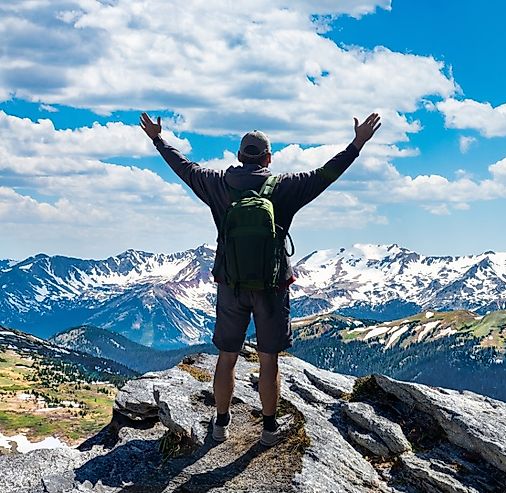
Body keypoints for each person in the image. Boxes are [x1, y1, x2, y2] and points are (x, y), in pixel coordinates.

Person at [140, 112, 381, 446]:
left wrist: (157, 139)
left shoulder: (217, 184)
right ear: (269, 157)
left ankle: (221, 424)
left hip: (231, 285)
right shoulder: (287, 187)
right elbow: (326, 174)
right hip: (272, 287)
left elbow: (185, 168)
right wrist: (357, 144)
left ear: (239, 156)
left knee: (227, 357)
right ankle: (268, 430)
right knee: (269, 361)